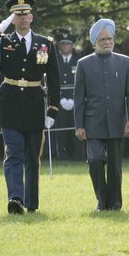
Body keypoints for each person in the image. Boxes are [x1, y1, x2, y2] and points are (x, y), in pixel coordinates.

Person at [0, 0, 60, 215]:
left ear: (32, 17)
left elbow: (55, 79)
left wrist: (53, 109)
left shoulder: (45, 43)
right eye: (16, 15)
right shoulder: (2, 41)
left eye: (25, 14)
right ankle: (15, 199)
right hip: (9, 104)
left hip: (34, 104)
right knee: (14, 153)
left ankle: (31, 202)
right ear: (12, 18)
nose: (22, 19)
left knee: (32, 156)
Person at [74, 18, 129, 211]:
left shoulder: (124, 61)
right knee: (94, 160)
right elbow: (79, 98)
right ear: (95, 41)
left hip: (118, 122)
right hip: (92, 123)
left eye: (110, 38)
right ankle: (101, 201)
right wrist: (79, 125)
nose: (107, 42)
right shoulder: (83, 64)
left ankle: (115, 204)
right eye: (103, 39)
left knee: (115, 166)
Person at [54, 30, 83, 160]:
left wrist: (73, 99)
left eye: (68, 44)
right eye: (63, 44)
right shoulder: (55, 60)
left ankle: (77, 157)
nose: (66, 46)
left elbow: (82, 83)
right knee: (60, 131)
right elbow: (52, 82)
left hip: (75, 102)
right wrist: (59, 99)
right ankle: (62, 157)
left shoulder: (79, 62)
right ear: (59, 45)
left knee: (77, 130)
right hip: (59, 102)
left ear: (72, 46)